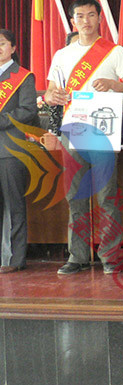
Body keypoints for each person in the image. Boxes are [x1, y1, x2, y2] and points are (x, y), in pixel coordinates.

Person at [44, 0, 123, 275]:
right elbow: (49, 92)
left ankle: (109, 256)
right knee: (75, 196)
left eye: (90, 15)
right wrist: (53, 96)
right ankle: (78, 256)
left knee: (106, 196)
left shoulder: (115, 52)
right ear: (72, 21)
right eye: (80, 16)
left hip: (103, 131)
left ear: (99, 18)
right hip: (72, 130)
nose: (85, 21)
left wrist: (113, 84)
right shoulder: (62, 55)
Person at [0, 30, 37, 273]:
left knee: (14, 206)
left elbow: (28, 111)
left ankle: (14, 259)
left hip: (11, 149)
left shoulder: (23, 76)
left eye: (2, 43)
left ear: (13, 48)